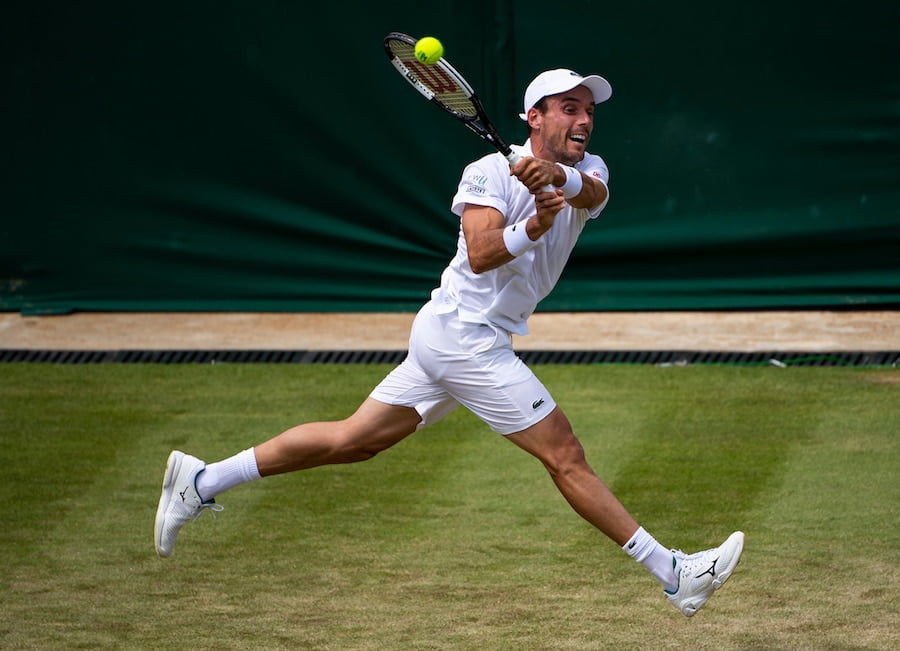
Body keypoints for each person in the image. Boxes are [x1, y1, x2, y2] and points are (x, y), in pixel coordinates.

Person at [154, 68, 744, 617]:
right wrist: (532, 224)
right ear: (534, 117)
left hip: (460, 336)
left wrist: (554, 179)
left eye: (589, 109)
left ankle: (201, 482)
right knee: (563, 455)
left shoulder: (594, 170)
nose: (584, 120)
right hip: (464, 338)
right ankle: (675, 575)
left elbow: (591, 194)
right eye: (570, 108)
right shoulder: (485, 174)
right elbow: (485, 253)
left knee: (355, 440)